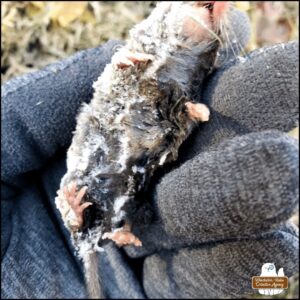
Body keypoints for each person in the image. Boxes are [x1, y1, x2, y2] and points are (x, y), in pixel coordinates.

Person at [1, 8, 299, 299]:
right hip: (99, 168)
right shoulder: (145, 48)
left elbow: (181, 110)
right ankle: (93, 222)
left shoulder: (185, 70)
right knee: (86, 193)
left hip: (136, 169)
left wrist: (189, 111)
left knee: (130, 191)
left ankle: (112, 226)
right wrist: (119, 63)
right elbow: (110, 86)